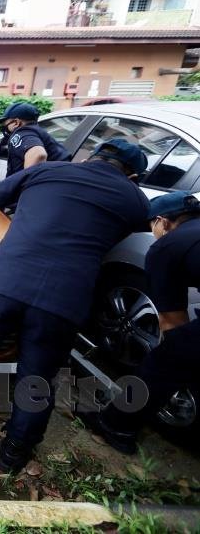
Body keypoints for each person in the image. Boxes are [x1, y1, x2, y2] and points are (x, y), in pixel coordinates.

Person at [0, 139, 149, 474]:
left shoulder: (45, 171)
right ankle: (12, 457)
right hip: (64, 298)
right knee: (37, 377)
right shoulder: (135, 200)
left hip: (4, 283)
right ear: (132, 174)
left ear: (90, 157)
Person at [85, 191, 200, 454]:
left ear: (162, 221)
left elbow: (172, 320)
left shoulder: (166, 246)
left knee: (164, 361)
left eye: (152, 226)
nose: (153, 231)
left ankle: (115, 425)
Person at [0, 102, 71, 177]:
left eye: (5, 123)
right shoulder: (37, 131)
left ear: (16, 123)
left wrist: (27, 184)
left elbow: (38, 154)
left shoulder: (22, 132)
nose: (4, 126)